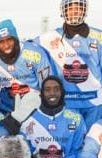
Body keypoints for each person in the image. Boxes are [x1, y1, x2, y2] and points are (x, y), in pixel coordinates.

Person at [34, 0, 102, 128]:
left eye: (78, 8)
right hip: (67, 103)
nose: (75, 12)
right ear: (63, 11)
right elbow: (24, 51)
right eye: (71, 9)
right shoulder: (50, 37)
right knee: (70, 144)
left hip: (95, 104)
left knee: (93, 144)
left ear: (84, 10)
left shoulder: (98, 36)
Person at [0, 19, 53, 113]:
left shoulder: (34, 53)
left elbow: (48, 84)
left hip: (34, 108)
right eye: (1, 42)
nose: (6, 45)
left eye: (9, 40)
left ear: (16, 38)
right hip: (5, 110)